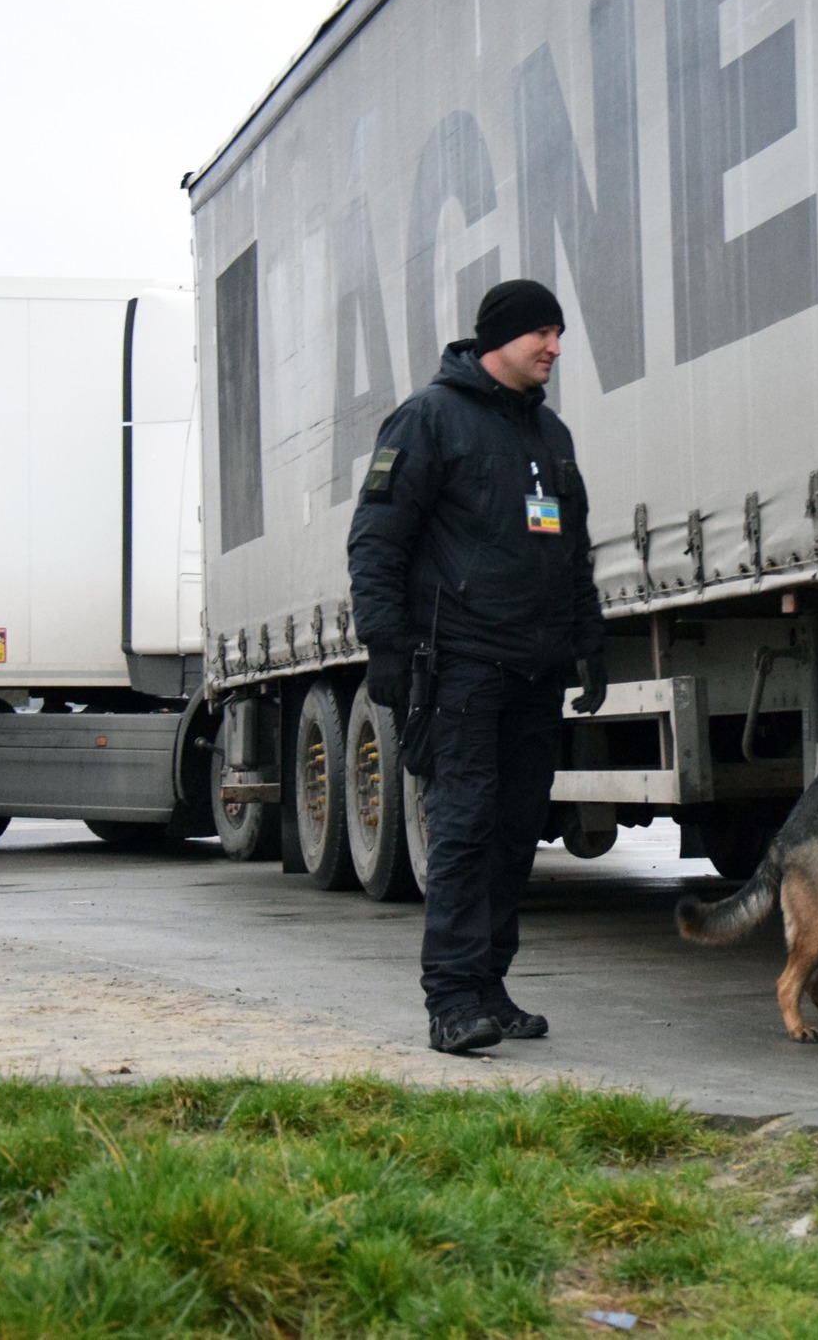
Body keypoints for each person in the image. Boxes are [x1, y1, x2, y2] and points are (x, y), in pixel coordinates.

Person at [347, 279, 608, 1054]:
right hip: (460, 666)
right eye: (543, 335)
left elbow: (573, 551)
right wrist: (385, 645)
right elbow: (376, 540)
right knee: (462, 830)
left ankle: (490, 983)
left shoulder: (550, 436)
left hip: (535, 672)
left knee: (514, 831)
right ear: (499, 336)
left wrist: (588, 642)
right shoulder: (430, 419)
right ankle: (451, 999)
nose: (555, 349)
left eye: (559, 334)